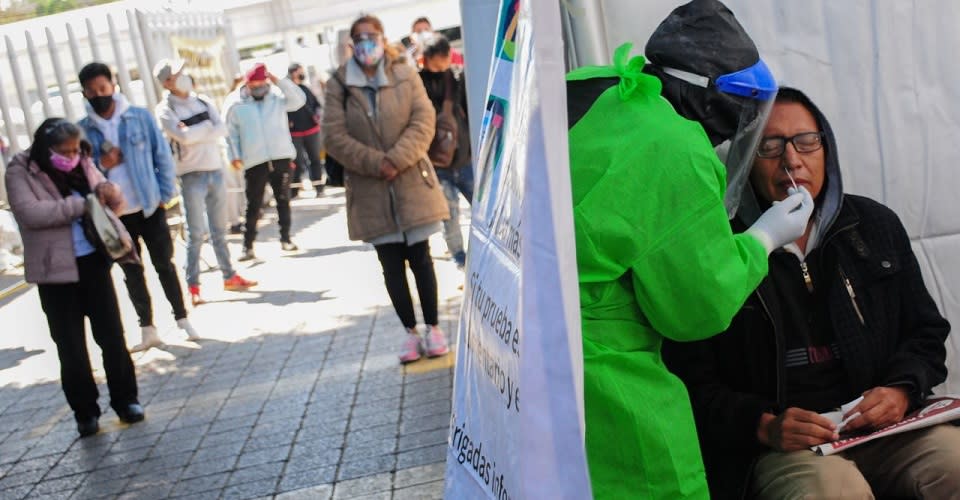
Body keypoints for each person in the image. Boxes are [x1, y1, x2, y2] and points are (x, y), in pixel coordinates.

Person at [565, 1, 816, 497]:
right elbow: (694, 309)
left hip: (520, 349)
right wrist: (761, 240)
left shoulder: (602, 89)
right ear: (707, 98)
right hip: (603, 377)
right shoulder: (674, 146)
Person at [663, 87, 960, 500]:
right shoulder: (720, 247)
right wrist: (763, 424)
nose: (792, 161)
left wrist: (901, 389)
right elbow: (689, 378)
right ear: (746, 161)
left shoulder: (872, 225)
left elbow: (926, 333)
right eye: (770, 146)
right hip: (785, 446)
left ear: (827, 150)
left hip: (882, 429)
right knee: (834, 493)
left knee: (954, 464)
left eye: (806, 142)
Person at [5, 119, 144, 437]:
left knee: (112, 336)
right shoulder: (20, 169)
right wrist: (78, 205)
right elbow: (30, 213)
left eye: (73, 150)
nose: (69, 156)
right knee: (70, 346)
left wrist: (111, 192)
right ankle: (85, 412)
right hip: (54, 272)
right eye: (62, 151)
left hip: (93, 261)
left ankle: (127, 401)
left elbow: (108, 204)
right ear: (45, 147)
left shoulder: (82, 160)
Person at [324, 15, 450, 364]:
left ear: (383, 39)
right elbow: (333, 136)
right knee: (390, 264)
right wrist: (376, 163)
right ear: (352, 44)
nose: (367, 43)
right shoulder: (338, 83)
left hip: (411, 181)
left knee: (421, 258)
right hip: (370, 190)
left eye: (372, 36)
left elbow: (423, 120)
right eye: (360, 38)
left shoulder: (403, 72)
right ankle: (410, 332)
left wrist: (396, 158)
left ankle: (434, 328)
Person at [77, 62, 198, 351]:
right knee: (131, 271)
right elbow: (81, 171)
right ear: (84, 93)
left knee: (164, 265)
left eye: (103, 88)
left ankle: (181, 319)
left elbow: (162, 157)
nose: (99, 95)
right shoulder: (83, 130)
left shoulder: (139, 117)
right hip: (115, 215)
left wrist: (163, 195)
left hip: (148, 204)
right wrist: (100, 165)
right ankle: (147, 328)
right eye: (92, 91)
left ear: (113, 86)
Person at [153, 59, 258, 306]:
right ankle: (193, 285)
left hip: (215, 169)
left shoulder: (202, 101)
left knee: (219, 229)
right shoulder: (165, 109)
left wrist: (196, 131)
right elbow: (182, 137)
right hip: (190, 175)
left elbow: (220, 128)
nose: (184, 77)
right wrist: (204, 128)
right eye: (178, 74)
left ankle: (229, 275)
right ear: (167, 82)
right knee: (196, 232)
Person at [223, 63, 306, 261]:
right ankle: (247, 246)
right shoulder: (236, 104)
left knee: (283, 199)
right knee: (253, 204)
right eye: (254, 84)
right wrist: (234, 156)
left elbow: (299, 101)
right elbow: (230, 134)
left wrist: (280, 81)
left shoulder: (277, 98)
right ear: (247, 84)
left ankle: (286, 238)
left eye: (263, 83)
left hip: (280, 157)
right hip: (254, 161)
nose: (259, 88)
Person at [419, 35, 473, 269]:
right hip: (436, 162)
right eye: (439, 59)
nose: (442, 64)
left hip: (463, 156)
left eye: (445, 58)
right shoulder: (417, 83)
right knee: (449, 213)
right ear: (427, 58)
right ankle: (458, 254)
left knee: (480, 207)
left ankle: (485, 248)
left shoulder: (457, 76)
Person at [286, 63, 326, 198]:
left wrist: (317, 116)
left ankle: (319, 187)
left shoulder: (305, 88)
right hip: (295, 132)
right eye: (299, 72)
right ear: (293, 73)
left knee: (315, 159)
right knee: (297, 161)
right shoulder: (286, 92)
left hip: (311, 130)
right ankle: (295, 189)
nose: (302, 74)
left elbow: (316, 105)